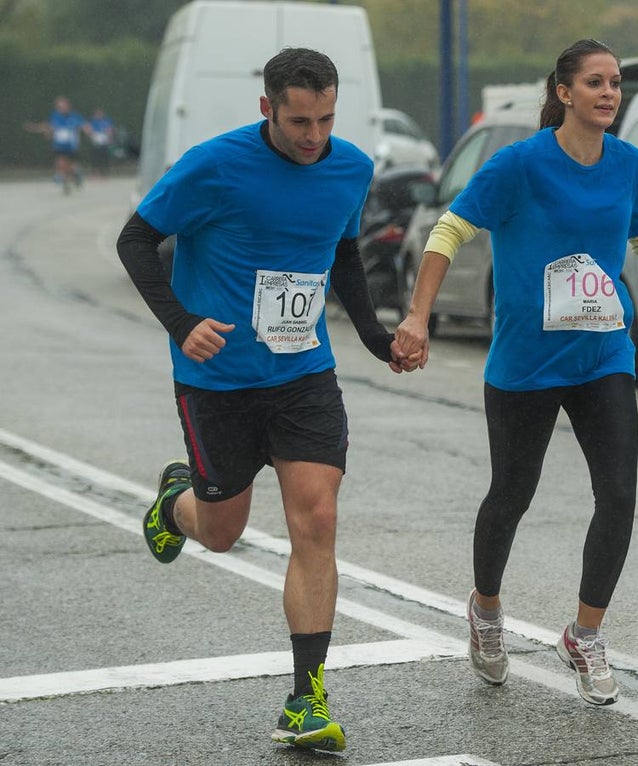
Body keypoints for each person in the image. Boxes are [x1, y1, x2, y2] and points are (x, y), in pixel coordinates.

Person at [394, 38, 638, 706]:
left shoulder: (628, 163)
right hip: (527, 360)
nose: (609, 94)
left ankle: (585, 632)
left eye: (615, 84)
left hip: (603, 352)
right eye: (595, 83)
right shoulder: (519, 165)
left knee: (618, 495)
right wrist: (416, 316)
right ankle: (486, 610)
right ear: (564, 92)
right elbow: (449, 231)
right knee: (512, 494)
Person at [116, 47, 414, 753]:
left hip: (303, 374)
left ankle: (305, 698)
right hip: (218, 381)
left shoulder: (349, 167)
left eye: (326, 119)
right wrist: (182, 323)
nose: (314, 136)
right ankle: (175, 503)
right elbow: (136, 240)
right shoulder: (213, 164)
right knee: (222, 532)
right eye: (299, 121)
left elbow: (341, 249)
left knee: (317, 518)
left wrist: (373, 336)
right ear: (267, 110)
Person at [24, 96, 85, 192]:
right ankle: (65, 182)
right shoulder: (55, 115)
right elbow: (49, 126)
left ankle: (75, 175)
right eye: (59, 106)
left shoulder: (75, 116)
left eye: (63, 106)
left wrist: (89, 131)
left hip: (72, 146)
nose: (61, 108)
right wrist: (37, 129)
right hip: (59, 146)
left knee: (71, 166)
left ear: (68, 106)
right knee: (61, 163)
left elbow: (83, 126)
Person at [85, 108, 116, 178]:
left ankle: (104, 173)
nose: (98, 115)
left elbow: (110, 130)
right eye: (97, 114)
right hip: (95, 143)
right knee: (95, 158)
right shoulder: (91, 121)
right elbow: (88, 130)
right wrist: (90, 132)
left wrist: (110, 138)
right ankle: (96, 172)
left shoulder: (107, 121)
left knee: (104, 158)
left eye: (100, 113)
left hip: (104, 143)